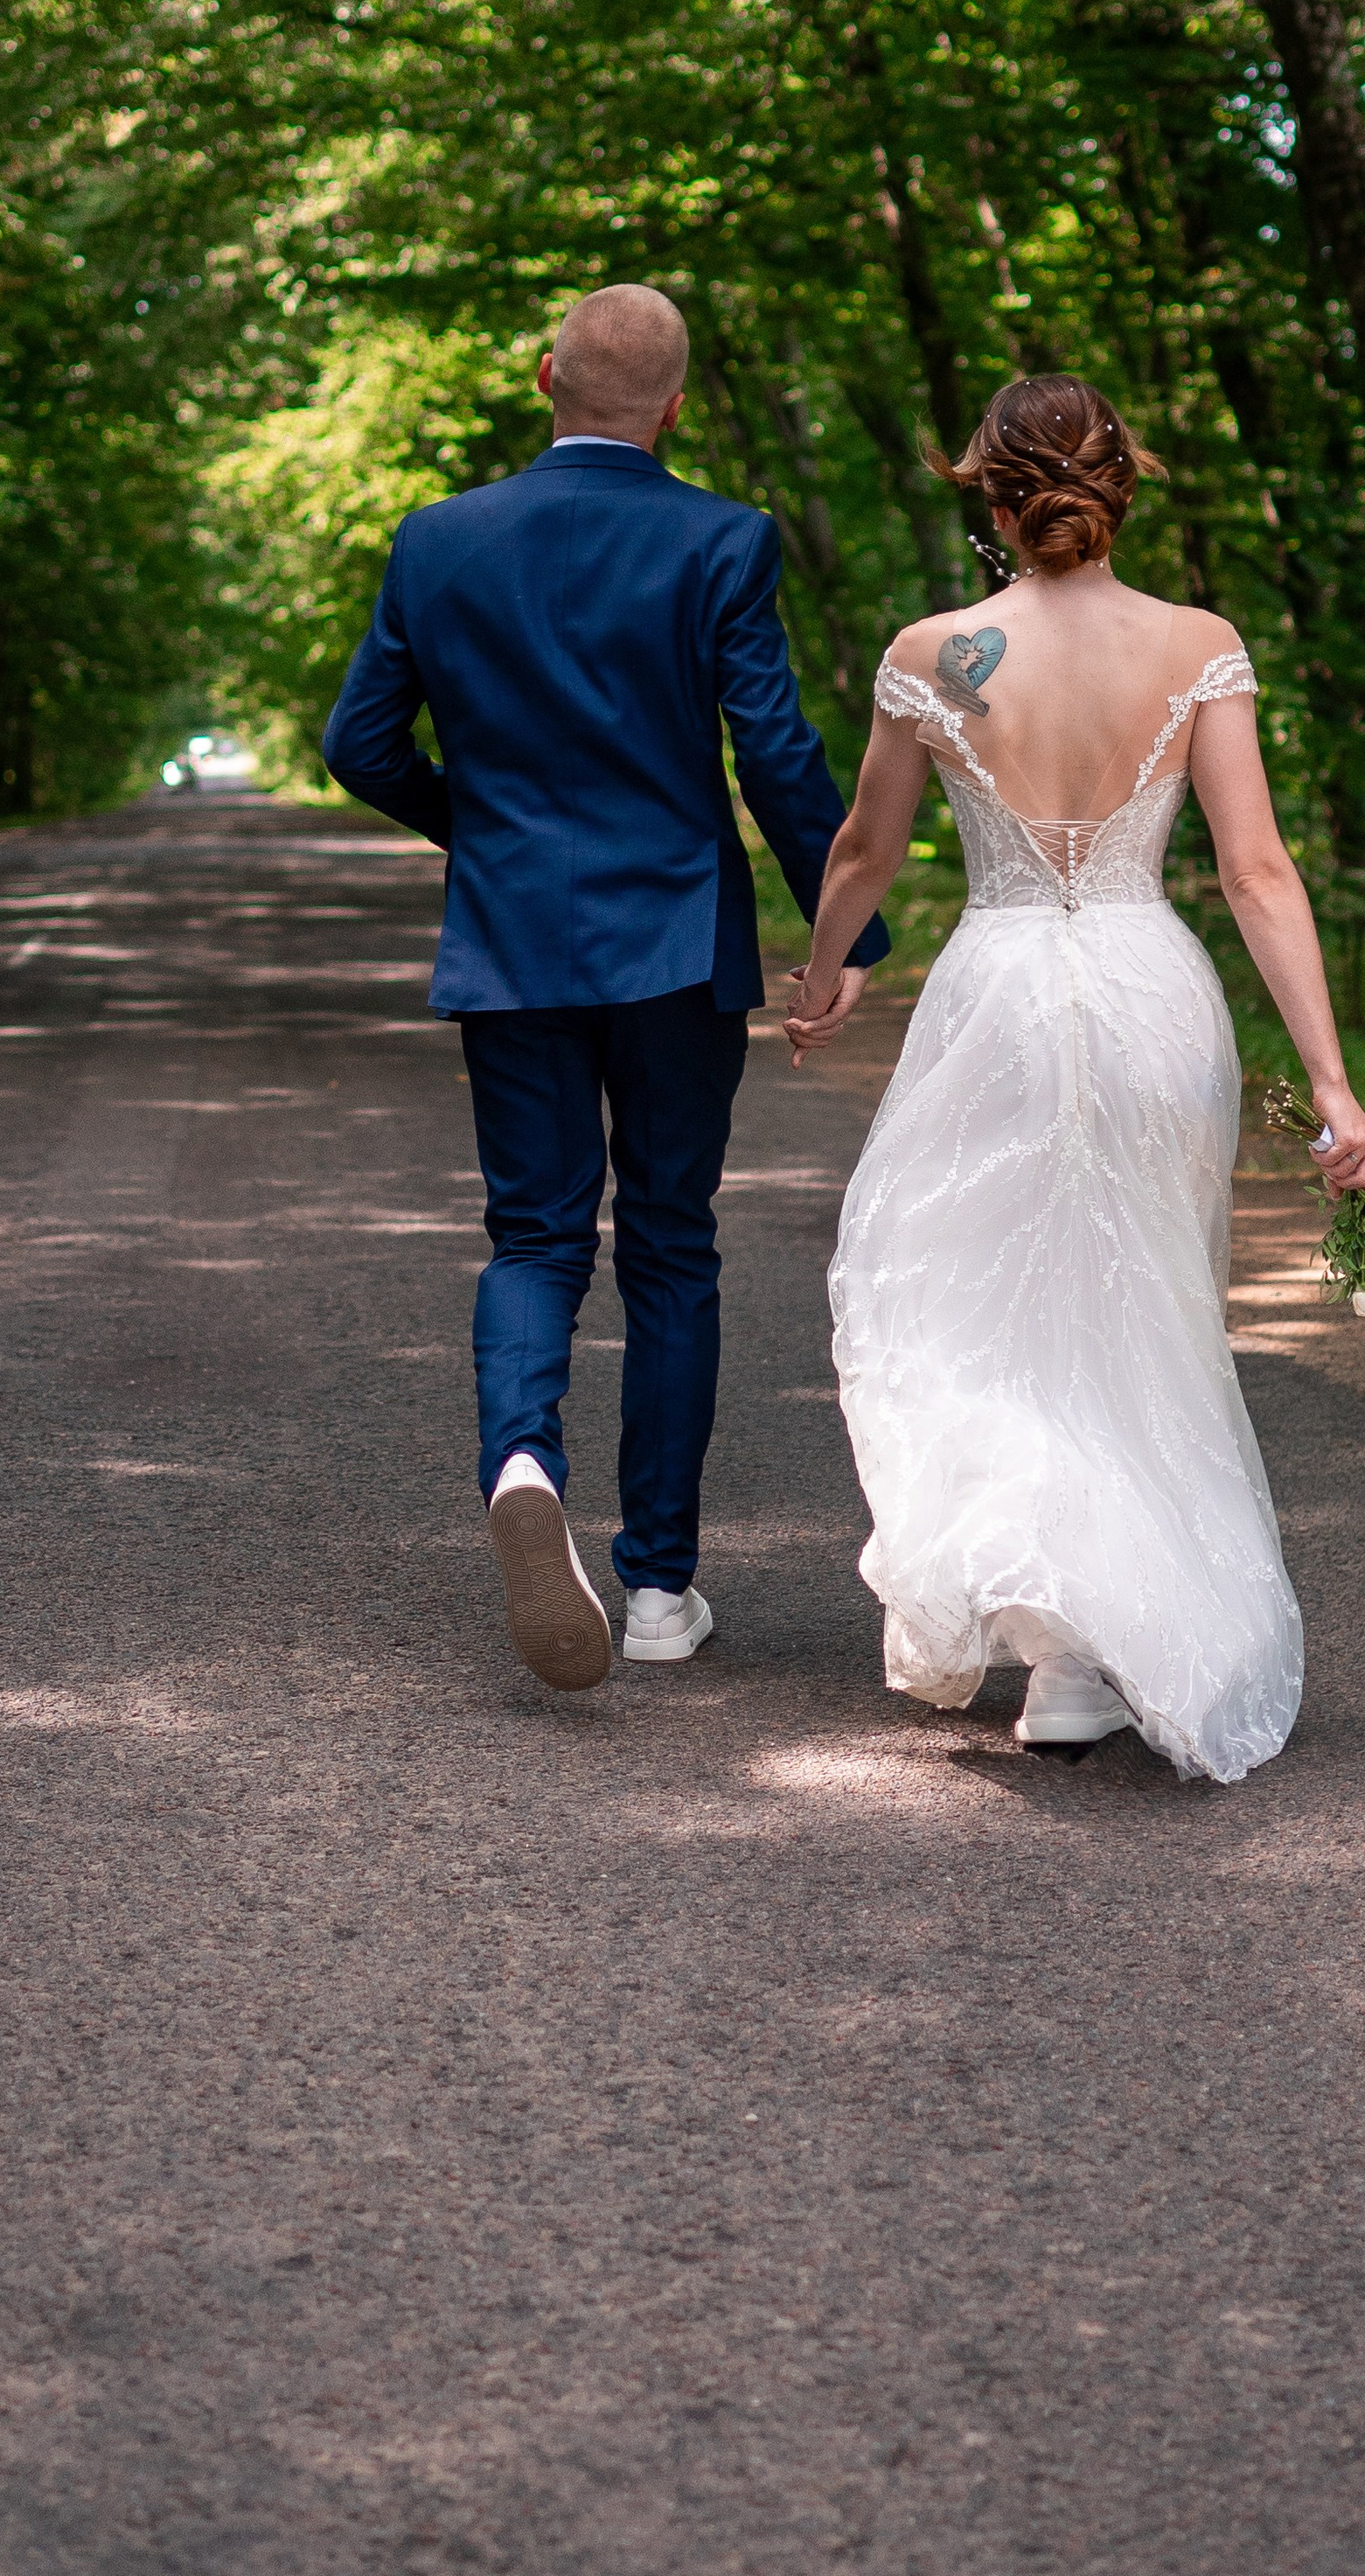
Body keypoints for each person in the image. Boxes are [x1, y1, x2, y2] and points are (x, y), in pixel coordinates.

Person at [785, 374, 1365, 1780]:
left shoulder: (938, 650)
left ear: (990, 498)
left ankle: (1061, 1643)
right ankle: (1091, 1648)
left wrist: (820, 981)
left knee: (986, 1302)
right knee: (1144, 1300)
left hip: (992, 995)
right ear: (1118, 488)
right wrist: (1333, 1084)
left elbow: (863, 854)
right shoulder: (1198, 644)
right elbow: (1254, 869)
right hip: (1147, 996)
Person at [323, 284, 888, 1692]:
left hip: (515, 940)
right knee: (673, 1246)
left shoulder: (438, 540)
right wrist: (843, 939)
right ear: (677, 408)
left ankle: (522, 1456)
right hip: (677, 943)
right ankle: (657, 1587)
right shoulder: (723, 539)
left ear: (542, 380)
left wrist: (494, 834)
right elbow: (771, 752)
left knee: (534, 1239)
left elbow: (361, 744)